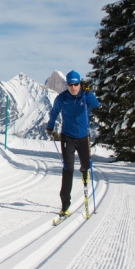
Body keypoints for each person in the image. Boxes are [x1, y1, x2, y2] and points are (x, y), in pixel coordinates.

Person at [46, 70, 99, 216]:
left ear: (80, 84)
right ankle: (65, 204)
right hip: (67, 137)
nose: (73, 87)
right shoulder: (62, 98)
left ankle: (84, 171)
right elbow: (54, 112)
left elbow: (96, 105)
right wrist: (50, 127)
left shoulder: (85, 96)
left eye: (76, 84)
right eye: (70, 84)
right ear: (67, 84)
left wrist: (88, 93)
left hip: (83, 137)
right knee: (68, 169)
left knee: (86, 165)